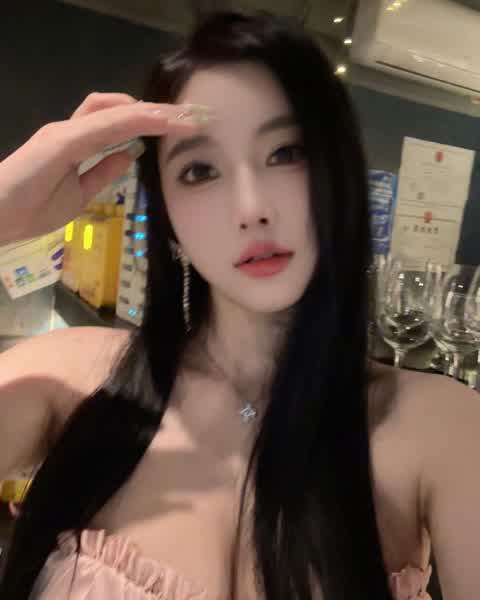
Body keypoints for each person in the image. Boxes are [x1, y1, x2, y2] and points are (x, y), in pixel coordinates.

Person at [0, 9, 478, 600]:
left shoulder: (442, 427)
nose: (251, 208)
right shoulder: (70, 378)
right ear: (168, 222)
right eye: (200, 170)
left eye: (286, 153)